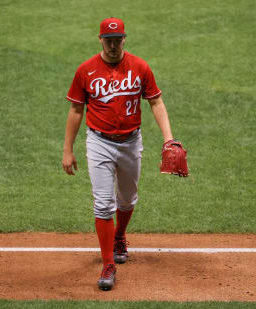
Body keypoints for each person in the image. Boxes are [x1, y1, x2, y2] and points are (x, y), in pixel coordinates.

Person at [62, 17, 174, 291]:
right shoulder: (86, 70)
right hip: (98, 142)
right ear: (100, 39)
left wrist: (169, 138)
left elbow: (155, 101)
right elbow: (76, 110)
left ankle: (120, 235)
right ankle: (108, 263)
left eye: (117, 39)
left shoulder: (140, 67)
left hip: (131, 142)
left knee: (127, 199)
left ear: (125, 38)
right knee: (103, 204)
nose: (113, 45)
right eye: (108, 40)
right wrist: (68, 149)